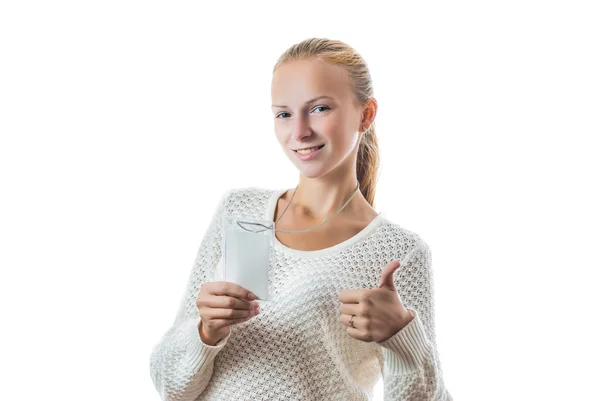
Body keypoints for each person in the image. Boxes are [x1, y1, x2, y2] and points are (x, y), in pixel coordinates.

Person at [149, 37, 453, 401]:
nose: (299, 132)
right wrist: (205, 332)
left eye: (320, 108)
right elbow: (171, 386)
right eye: (284, 114)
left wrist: (401, 336)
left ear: (366, 114)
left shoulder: (399, 251)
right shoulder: (240, 212)